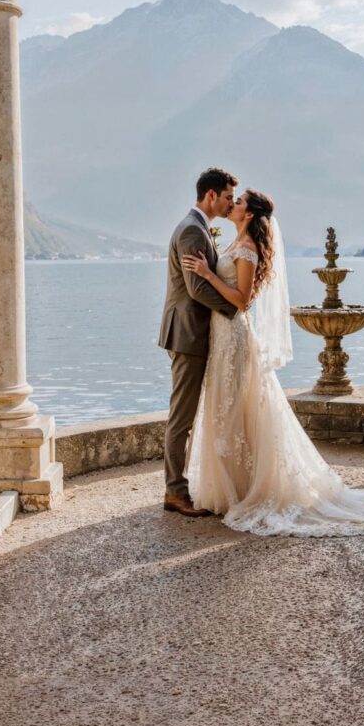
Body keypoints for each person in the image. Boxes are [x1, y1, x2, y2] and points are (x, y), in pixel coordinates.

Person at [181, 189, 364, 536]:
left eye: (238, 202)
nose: (233, 204)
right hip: (221, 335)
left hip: (234, 335)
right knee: (226, 409)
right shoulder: (235, 242)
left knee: (233, 407)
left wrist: (208, 275)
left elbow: (242, 300)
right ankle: (232, 486)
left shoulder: (248, 248)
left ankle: (243, 490)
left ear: (249, 214)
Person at [158, 167, 239, 516]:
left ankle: (180, 487)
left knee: (187, 414)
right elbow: (196, 288)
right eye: (227, 198)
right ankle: (175, 492)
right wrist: (235, 308)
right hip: (188, 333)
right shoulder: (192, 230)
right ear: (211, 195)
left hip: (193, 332)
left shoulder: (197, 227)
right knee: (182, 417)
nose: (230, 203)